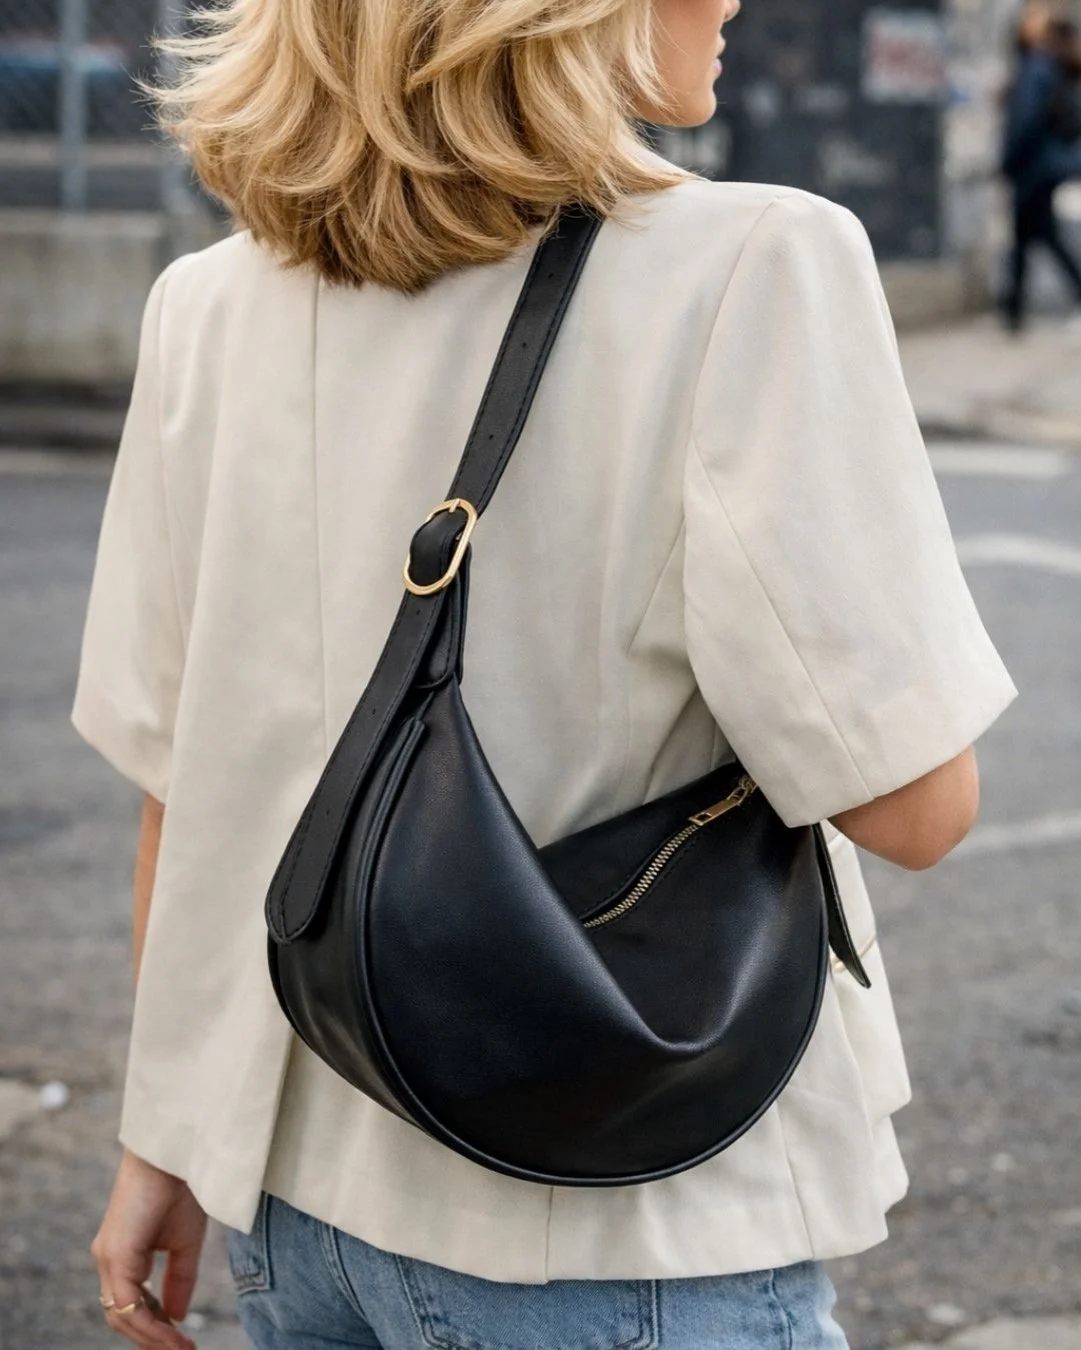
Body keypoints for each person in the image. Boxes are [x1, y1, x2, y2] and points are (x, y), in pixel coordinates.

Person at [75, 0, 1016, 1341]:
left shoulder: (206, 306)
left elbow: (185, 783)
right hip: (607, 1207)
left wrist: (157, 1140)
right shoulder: (750, 262)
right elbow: (914, 804)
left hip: (290, 1198)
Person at [1001, 5, 1081, 330]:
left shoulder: (1036, 68)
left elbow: (1026, 122)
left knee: (1040, 235)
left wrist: (1008, 161)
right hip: (1043, 166)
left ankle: (1013, 312)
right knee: (1028, 236)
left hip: (1033, 167)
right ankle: (1012, 312)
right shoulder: (1053, 67)